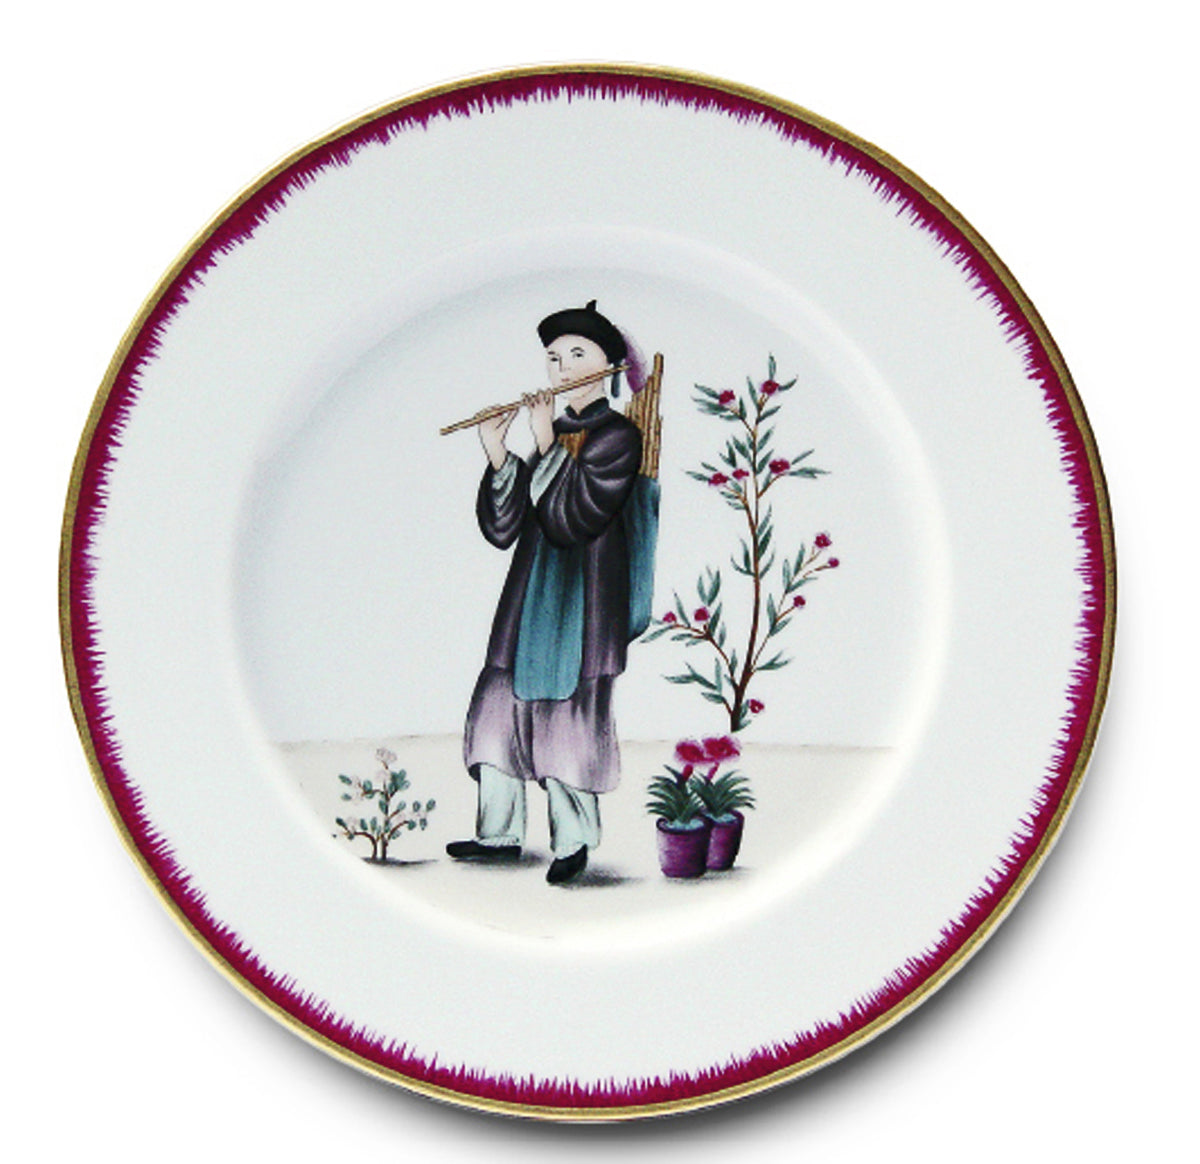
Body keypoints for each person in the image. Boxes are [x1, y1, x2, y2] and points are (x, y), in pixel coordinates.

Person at [447, 301, 643, 885]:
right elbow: (505, 529)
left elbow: (575, 517)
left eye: (578, 355)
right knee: (495, 711)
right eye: (554, 359)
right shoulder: (552, 433)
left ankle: (573, 842)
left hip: (582, 604)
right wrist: (499, 453)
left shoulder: (618, 436)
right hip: (529, 596)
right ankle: (498, 833)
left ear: (608, 365)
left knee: (568, 722)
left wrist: (545, 443)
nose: (563, 369)